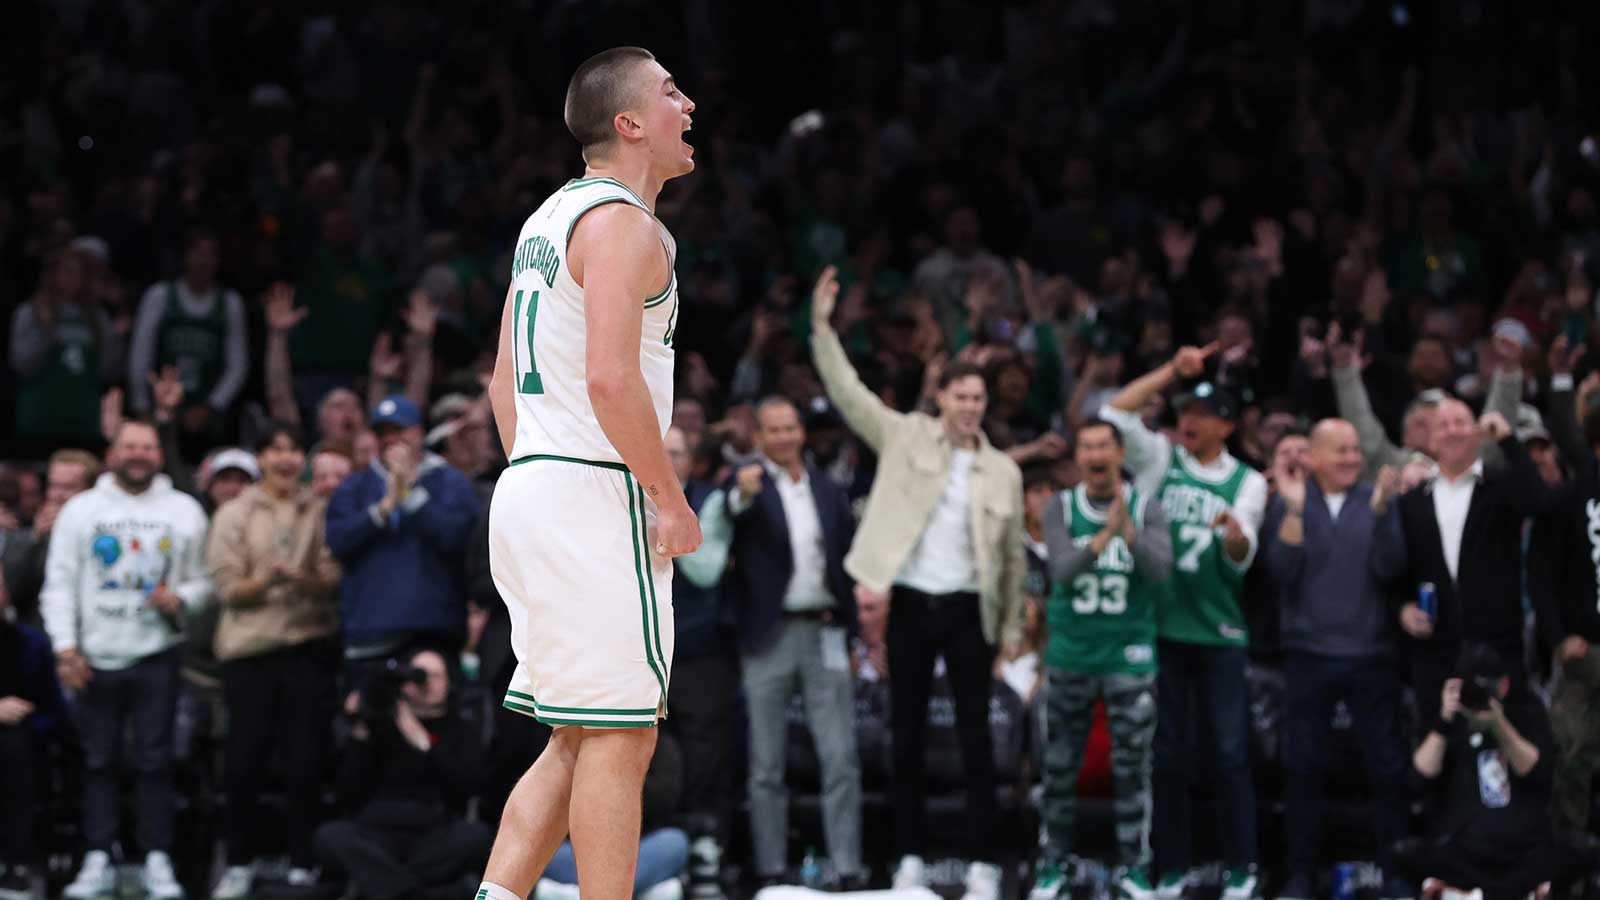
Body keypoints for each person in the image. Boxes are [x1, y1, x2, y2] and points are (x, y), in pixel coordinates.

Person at [478, 47, 702, 900]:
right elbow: (611, 378)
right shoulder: (623, 224)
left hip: (532, 481)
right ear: (630, 123)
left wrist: (543, 475)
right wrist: (669, 498)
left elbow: (503, 384)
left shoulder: (546, 220)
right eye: (671, 91)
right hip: (589, 488)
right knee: (622, 735)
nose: (689, 103)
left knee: (576, 735)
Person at [810, 266, 1026, 900]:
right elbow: (849, 394)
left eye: (978, 399)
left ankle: (983, 863)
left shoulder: (1004, 472)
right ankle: (907, 858)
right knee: (904, 734)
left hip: (969, 609)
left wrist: (1012, 630)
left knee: (976, 738)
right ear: (943, 399)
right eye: (961, 397)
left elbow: (1012, 561)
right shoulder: (904, 436)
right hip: (908, 601)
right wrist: (821, 326)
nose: (970, 407)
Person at [1100, 344, 1268, 899]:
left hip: (1220, 631)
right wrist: (1172, 371)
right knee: (1167, 755)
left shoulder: (1249, 482)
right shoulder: (1159, 462)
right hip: (1162, 630)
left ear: (1228, 424)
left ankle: (1242, 867)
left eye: (1202, 414)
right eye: (1185, 411)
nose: (1188, 421)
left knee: (1230, 753)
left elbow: (1242, 558)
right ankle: (1171, 867)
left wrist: (1236, 539)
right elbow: (1115, 412)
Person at [41, 419, 212, 900]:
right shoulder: (81, 510)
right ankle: (98, 857)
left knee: (155, 761)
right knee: (98, 762)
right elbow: (59, 584)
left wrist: (181, 599)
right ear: (112, 453)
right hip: (93, 656)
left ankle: (156, 858)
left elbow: (205, 583)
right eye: (130, 445)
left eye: (148, 447)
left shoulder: (184, 510)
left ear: (159, 454)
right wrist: (65, 647)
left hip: (156, 653)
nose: (139, 454)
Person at [1262, 420, 1411, 900]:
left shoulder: (1376, 498)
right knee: (1302, 769)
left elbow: (1392, 568)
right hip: (1307, 655)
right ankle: (1300, 875)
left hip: (1371, 654)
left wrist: (1384, 512)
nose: (1351, 458)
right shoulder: (1288, 500)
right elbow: (1281, 572)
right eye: (1340, 450)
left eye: (1354, 450)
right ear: (1313, 456)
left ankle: (1396, 872)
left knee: (1387, 768)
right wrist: (1292, 508)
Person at [724, 396, 862, 889]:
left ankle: (847, 867)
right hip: (769, 634)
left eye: (790, 428)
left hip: (824, 628)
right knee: (766, 762)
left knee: (840, 756)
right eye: (774, 430)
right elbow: (728, 512)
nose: (784, 437)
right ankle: (770, 868)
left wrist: (854, 632)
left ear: (801, 432)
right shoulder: (748, 483)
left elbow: (846, 560)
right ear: (759, 437)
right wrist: (739, 495)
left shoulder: (826, 488)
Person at [1031, 417, 1171, 899]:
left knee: (1133, 767)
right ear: (1077, 457)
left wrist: (1128, 533)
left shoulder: (1146, 507)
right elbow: (1062, 571)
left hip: (1129, 655)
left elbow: (1161, 571)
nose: (1095, 456)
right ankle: (1053, 863)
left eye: (1103, 447)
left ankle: (1134, 867)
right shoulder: (1060, 507)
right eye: (1087, 447)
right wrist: (1103, 537)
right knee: (1059, 767)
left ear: (1119, 454)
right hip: (1072, 653)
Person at [205, 420, 341, 898]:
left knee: (305, 762)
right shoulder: (234, 513)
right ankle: (238, 862)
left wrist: (301, 579)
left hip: (307, 647)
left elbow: (332, 576)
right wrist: (267, 580)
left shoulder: (320, 510)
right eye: (275, 449)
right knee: (244, 762)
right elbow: (227, 587)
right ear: (260, 457)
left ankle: (302, 860)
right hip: (250, 653)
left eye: (294, 449)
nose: (285, 458)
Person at [1372, 400, 1562, 727]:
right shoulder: (1412, 500)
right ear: (1431, 440)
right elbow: (1396, 573)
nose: (1452, 431)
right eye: (1443, 425)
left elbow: (1539, 502)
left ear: (1477, 433)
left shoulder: (1501, 487)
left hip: (1498, 649)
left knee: (1507, 746)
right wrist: (1401, 609)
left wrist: (1507, 439)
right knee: (1436, 749)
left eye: (1460, 422)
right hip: (1434, 654)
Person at [1394, 644, 1591, 898]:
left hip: (1523, 853)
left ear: (1504, 684)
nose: (1479, 696)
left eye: (1486, 687)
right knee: (1404, 854)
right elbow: (1418, 779)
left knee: (1581, 850)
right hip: (1465, 855)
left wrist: (1499, 725)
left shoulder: (1526, 712)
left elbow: (1538, 773)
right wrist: (1444, 721)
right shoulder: (1445, 719)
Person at [314, 649, 493, 900]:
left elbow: (466, 789)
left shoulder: (461, 730)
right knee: (329, 836)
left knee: (477, 837)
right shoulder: (377, 723)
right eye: (417, 675)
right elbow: (347, 795)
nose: (424, 683)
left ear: (449, 683)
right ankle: (413, 894)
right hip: (375, 833)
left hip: (435, 833)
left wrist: (425, 745)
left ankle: (385, 888)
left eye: (435, 676)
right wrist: (359, 735)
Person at [326, 395, 481, 675]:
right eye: (383, 433)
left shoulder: (451, 482)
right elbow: (337, 542)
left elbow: (459, 540)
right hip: (369, 628)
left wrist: (409, 494)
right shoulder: (354, 486)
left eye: (399, 430)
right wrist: (382, 510)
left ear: (419, 432)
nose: (391, 440)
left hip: (434, 628)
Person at [661, 425, 738, 899]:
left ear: (691, 460)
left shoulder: (710, 500)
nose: (668, 460)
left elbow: (707, 570)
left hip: (699, 649)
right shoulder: (623, 496)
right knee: (645, 750)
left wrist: (666, 516)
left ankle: (706, 848)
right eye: (660, 451)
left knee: (704, 751)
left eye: (676, 452)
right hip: (643, 646)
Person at [1528, 408, 1600, 840]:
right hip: (1583, 649)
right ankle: (1568, 853)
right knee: (1572, 751)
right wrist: (1558, 637)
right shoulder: (1570, 497)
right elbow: (1541, 576)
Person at [127, 229, 250, 449]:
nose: (204, 261)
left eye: (211, 254)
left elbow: (238, 365)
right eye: (198, 253)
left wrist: (211, 406)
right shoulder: (160, 296)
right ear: (185, 257)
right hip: (159, 406)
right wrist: (142, 406)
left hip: (210, 409)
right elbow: (140, 356)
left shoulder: (230, 302)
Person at [534, 732, 692, 900]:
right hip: (576, 847)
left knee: (675, 842)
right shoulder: (571, 742)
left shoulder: (661, 747)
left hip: (640, 843)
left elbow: (662, 803)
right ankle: (637, 892)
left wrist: (620, 780)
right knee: (542, 847)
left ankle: (579, 893)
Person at [0, 565, 68, 899]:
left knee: (15, 744)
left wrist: (27, 718)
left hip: (19, 745)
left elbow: (54, 712)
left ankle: (14, 865)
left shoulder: (29, 644)